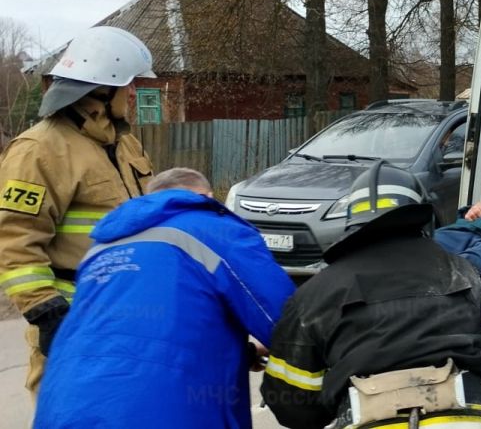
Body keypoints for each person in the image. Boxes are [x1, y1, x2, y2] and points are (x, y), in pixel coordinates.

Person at [33, 168, 296, 429]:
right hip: (159, 412)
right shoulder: (215, 228)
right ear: (207, 197)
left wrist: (240, 354)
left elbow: (122, 335)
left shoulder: (101, 248)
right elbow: (288, 322)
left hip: (60, 407)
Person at [262, 161, 481, 429]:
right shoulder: (464, 272)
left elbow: (294, 408)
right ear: (424, 218)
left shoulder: (313, 295)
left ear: (351, 222)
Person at [0, 26, 156, 397]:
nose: (134, 93)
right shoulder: (38, 150)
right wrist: (48, 313)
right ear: (102, 89)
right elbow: (14, 243)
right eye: (129, 84)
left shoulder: (125, 144)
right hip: (74, 319)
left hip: (129, 314)